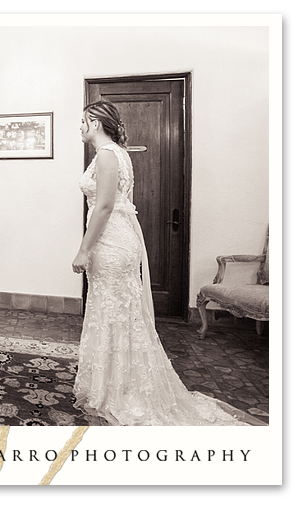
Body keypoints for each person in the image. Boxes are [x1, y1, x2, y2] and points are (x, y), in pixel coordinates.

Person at [71, 100, 260, 426]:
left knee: (110, 312)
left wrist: (83, 250)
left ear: (96, 123)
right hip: (122, 240)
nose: (80, 126)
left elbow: (102, 207)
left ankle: (115, 390)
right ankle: (121, 383)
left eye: (83, 121)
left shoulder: (105, 155)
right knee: (122, 316)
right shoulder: (119, 153)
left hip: (110, 244)